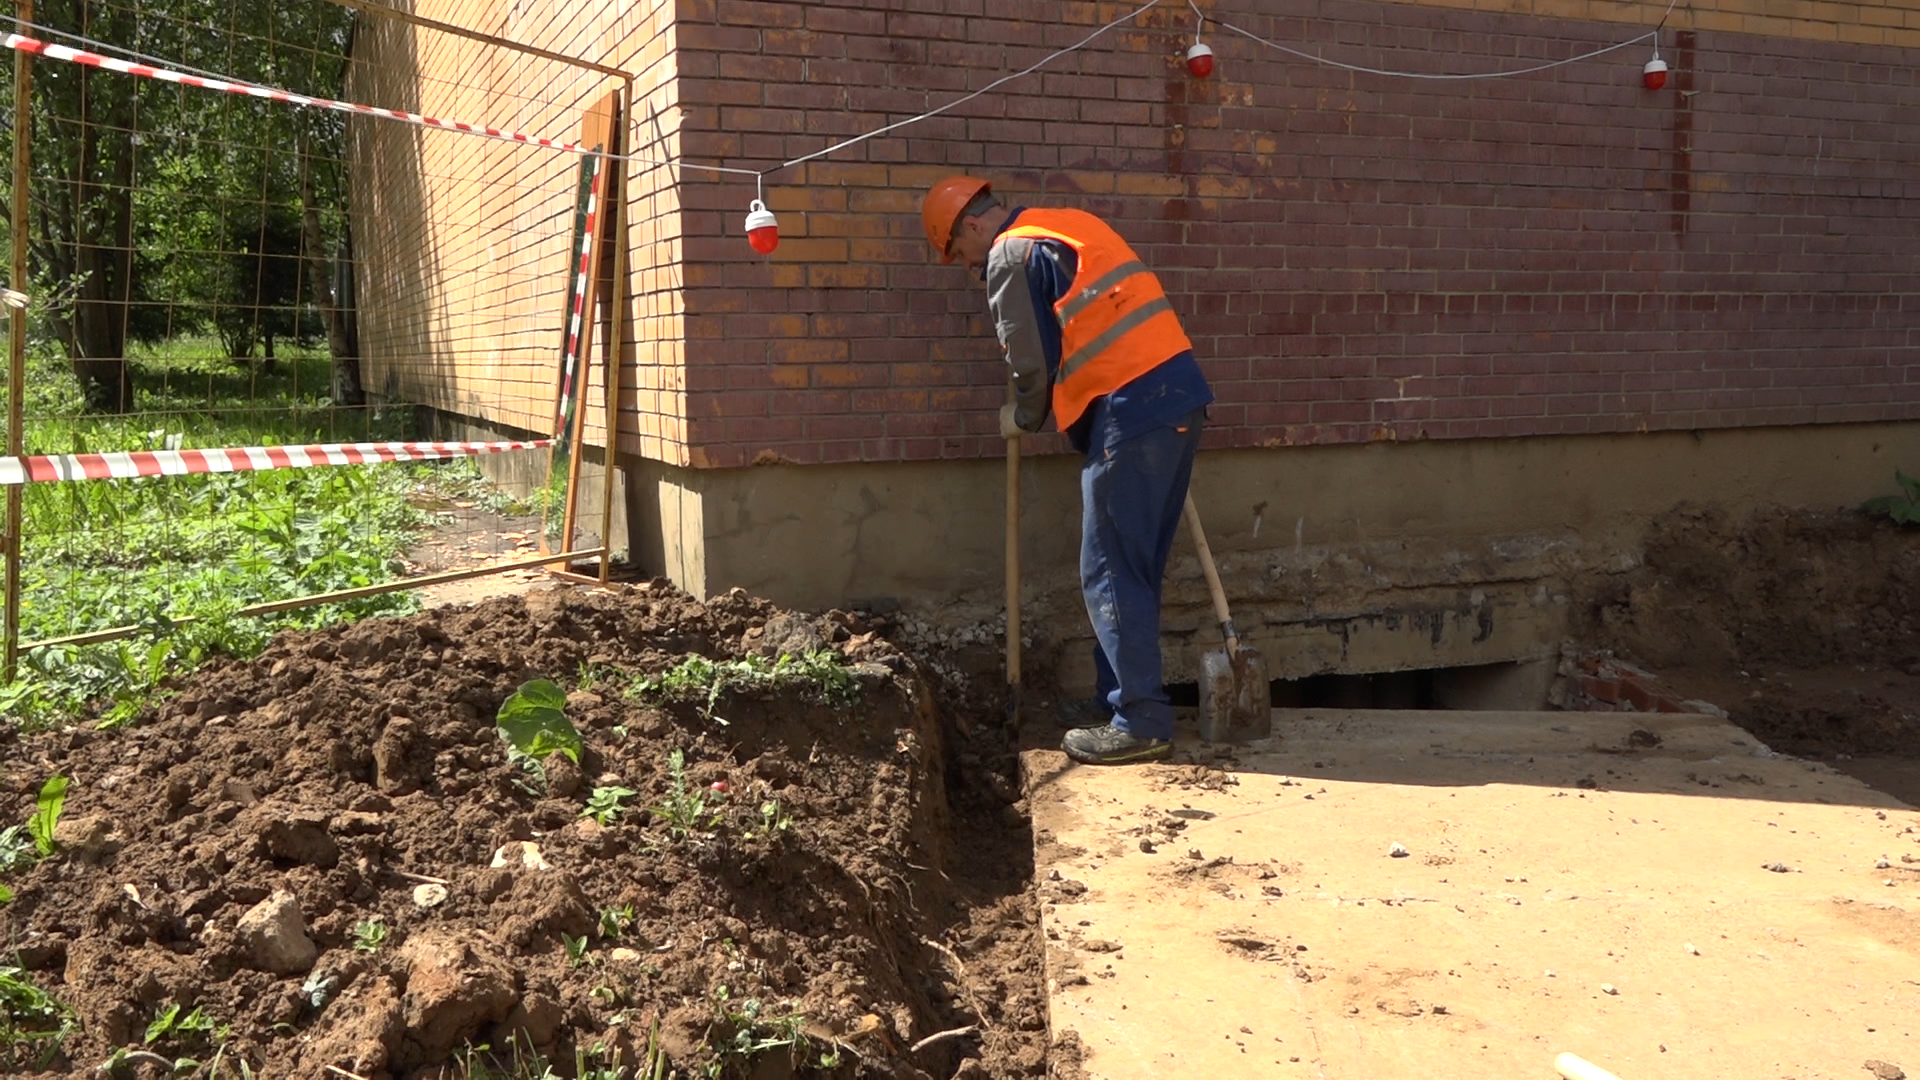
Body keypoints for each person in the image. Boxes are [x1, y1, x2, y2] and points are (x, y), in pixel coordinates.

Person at [920, 176, 1213, 766]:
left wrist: (1022, 416)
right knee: (1132, 565)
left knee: (1106, 565)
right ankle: (1122, 700)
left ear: (972, 227)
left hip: (1130, 409)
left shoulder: (1009, 251)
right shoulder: (1068, 225)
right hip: (1177, 397)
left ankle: (1140, 720)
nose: (964, 267)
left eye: (958, 254)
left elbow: (1028, 357)